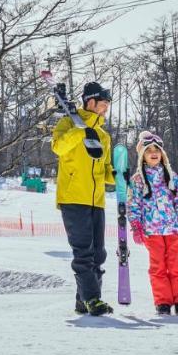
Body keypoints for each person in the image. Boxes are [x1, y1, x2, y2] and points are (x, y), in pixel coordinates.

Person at [51, 81, 117, 316]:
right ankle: (93, 298)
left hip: (96, 200)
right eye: (103, 104)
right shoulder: (67, 123)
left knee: (98, 253)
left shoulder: (103, 135)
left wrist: (120, 177)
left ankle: (84, 301)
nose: (106, 109)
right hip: (73, 197)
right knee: (83, 253)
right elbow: (58, 147)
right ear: (91, 102)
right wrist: (79, 129)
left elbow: (107, 171)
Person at [128, 130, 178, 315]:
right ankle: (163, 302)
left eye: (157, 149)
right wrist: (136, 226)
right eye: (149, 149)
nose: (154, 153)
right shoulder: (137, 180)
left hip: (173, 229)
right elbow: (133, 204)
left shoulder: (170, 175)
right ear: (142, 155)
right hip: (152, 231)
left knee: (177, 265)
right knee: (158, 267)